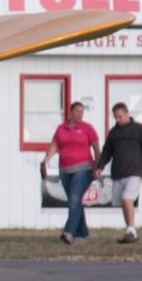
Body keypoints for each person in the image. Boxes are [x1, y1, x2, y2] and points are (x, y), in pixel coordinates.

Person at [94, 102, 142, 244]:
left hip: (134, 172)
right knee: (123, 202)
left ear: (127, 113)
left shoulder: (140, 130)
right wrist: (100, 167)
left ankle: (131, 229)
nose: (118, 120)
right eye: (115, 117)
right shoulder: (113, 132)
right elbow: (106, 152)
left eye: (120, 116)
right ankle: (130, 231)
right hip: (118, 173)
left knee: (127, 198)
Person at [40, 101, 100, 244]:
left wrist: (97, 167)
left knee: (74, 198)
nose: (79, 114)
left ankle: (68, 232)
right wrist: (46, 159)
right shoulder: (61, 129)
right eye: (76, 111)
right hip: (65, 170)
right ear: (70, 112)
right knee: (75, 201)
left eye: (81, 112)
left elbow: (97, 149)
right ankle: (82, 234)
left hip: (84, 168)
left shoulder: (87, 128)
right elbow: (54, 146)